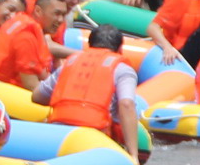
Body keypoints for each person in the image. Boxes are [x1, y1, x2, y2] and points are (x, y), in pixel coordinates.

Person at [37, 23, 142, 155]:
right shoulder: (123, 69)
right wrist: (134, 156)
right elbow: (127, 104)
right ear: (120, 49)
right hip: (94, 136)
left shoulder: (70, 62)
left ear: (90, 46)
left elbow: (37, 96)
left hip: (58, 134)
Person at [0, 0, 65, 87]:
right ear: (38, 11)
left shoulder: (28, 28)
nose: (61, 20)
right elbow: (32, 86)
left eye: (63, 14)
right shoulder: (26, 36)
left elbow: (42, 73)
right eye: (57, 14)